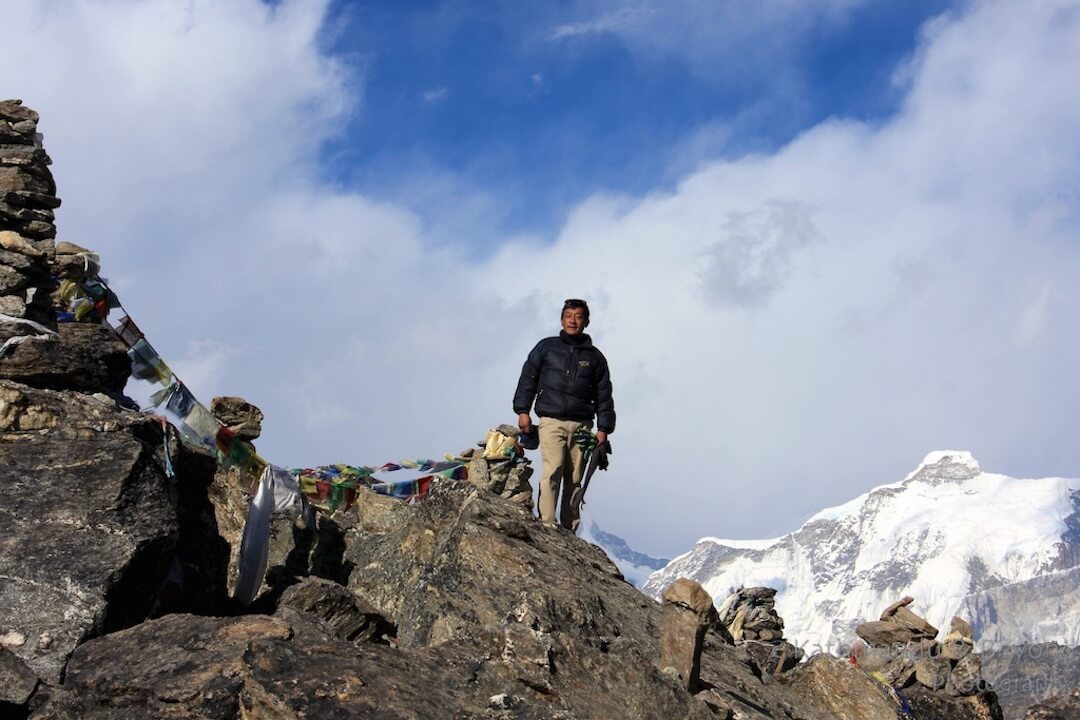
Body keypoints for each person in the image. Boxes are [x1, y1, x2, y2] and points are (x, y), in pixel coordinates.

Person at [513, 299, 616, 530]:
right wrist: (523, 411)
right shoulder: (546, 348)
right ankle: (547, 524)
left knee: (575, 477)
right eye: (568, 315)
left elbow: (604, 395)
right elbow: (527, 379)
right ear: (561, 319)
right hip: (551, 420)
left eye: (578, 316)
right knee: (553, 469)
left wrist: (603, 429)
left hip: (582, 426)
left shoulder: (596, 358)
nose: (573, 320)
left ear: (586, 322)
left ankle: (569, 530)